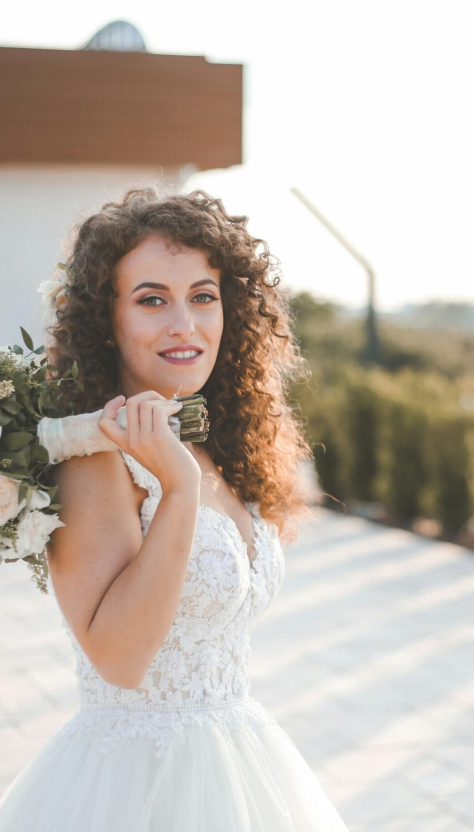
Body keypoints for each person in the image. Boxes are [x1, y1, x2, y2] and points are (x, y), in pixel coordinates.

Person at [0, 185, 350, 830]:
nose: (183, 324)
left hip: (242, 758)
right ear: (108, 320)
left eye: (203, 297)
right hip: (134, 785)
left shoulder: (215, 441)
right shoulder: (95, 458)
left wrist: (188, 468)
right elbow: (120, 660)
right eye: (152, 299)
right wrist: (179, 491)